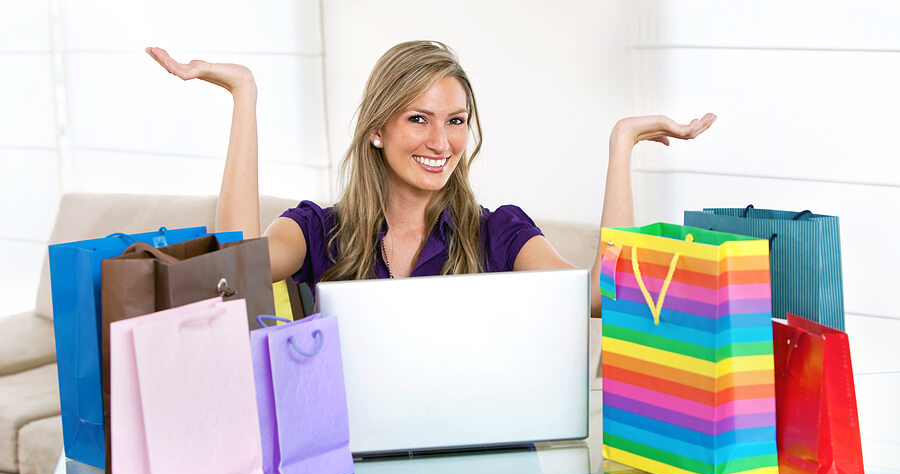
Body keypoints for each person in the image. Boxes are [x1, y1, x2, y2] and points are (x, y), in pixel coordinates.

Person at [146, 41, 714, 318]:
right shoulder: (318, 231)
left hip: (478, 469)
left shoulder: (500, 234)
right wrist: (245, 97)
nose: (441, 143)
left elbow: (602, 296)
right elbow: (232, 265)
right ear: (376, 129)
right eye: (418, 118)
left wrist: (622, 146)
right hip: (348, 469)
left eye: (456, 121)